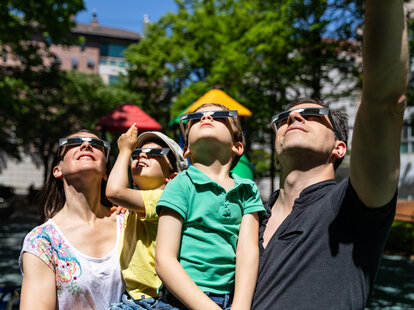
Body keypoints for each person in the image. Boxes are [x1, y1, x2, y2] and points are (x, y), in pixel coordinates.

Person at [252, 0, 409, 309]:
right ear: (275, 155)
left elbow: (385, 101)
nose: (294, 118)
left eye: (312, 114)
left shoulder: (352, 205)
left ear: (340, 147)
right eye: (283, 118)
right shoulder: (248, 217)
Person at [155, 103, 265, 310]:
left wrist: (241, 306)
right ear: (186, 149)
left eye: (219, 116)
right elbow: (164, 259)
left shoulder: (247, 189)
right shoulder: (181, 184)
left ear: (237, 146)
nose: (206, 118)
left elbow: (247, 250)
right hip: (182, 298)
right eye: (195, 119)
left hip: (232, 300)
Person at [19, 130, 124, 309]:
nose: (86, 145)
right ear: (58, 170)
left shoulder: (130, 222)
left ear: (106, 172)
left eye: (96, 144)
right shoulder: (42, 242)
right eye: (74, 142)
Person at [105, 125, 188, 309]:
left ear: (171, 177)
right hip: (135, 298)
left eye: (154, 152)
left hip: (156, 301)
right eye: (137, 153)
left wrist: (125, 150)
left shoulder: (166, 198)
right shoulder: (135, 205)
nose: (142, 155)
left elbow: (115, 191)